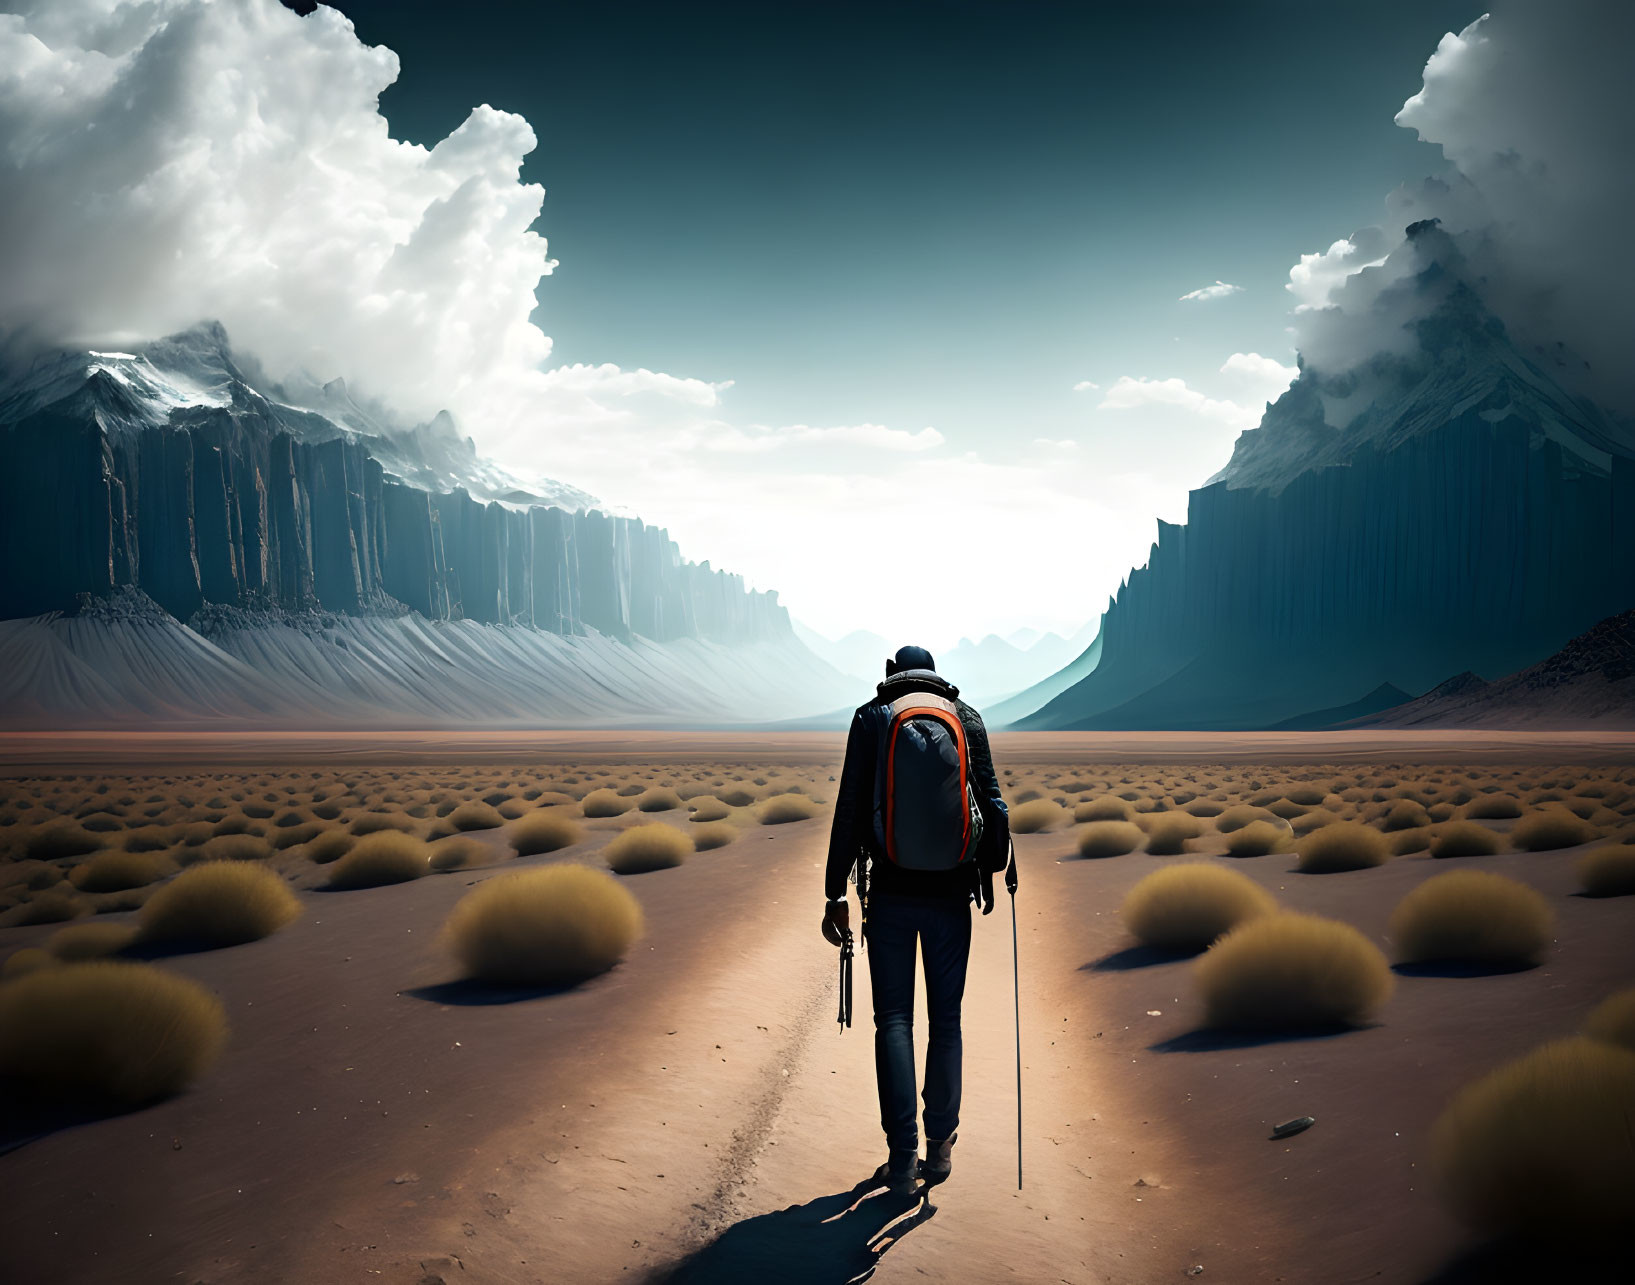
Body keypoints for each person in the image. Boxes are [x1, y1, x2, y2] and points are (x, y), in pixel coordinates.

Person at [821, 644, 1010, 1196]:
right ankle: (941, 1148)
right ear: (934, 674)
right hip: (952, 895)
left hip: (892, 896)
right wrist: (991, 868)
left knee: (895, 1021)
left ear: (892, 674)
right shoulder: (965, 717)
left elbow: (850, 809)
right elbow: (993, 803)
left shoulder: (871, 717)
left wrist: (836, 892)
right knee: (945, 1021)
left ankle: (902, 1160)